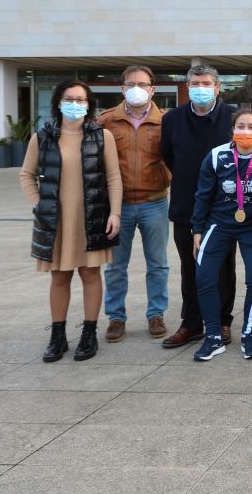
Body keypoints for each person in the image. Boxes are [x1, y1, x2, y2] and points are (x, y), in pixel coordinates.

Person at [22, 81, 122, 363]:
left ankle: (89, 333)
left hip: (92, 216)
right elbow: (26, 175)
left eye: (81, 99)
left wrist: (114, 213)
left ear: (89, 104)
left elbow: (113, 177)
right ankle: (58, 335)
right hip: (57, 219)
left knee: (91, 274)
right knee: (59, 276)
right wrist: (37, 203)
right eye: (70, 98)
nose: (75, 104)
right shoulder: (41, 137)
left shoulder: (102, 136)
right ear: (58, 102)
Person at [190, 108, 252, 361]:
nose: (245, 132)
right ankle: (213, 337)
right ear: (232, 130)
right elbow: (203, 194)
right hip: (219, 224)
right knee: (204, 277)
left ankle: (249, 335)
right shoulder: (217, 155)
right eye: (240, 126)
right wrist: (197, 228)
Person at [160, 66, 238, 349]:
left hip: (225, 206)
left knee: (222, 267)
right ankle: (191, 324)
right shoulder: (172, 119)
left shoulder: (232, 117)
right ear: (187, 86)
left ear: (217, 88)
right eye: (195, 83)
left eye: (206, 83)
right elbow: (168, 156)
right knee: (189, 265)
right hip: (186, 204)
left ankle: (222, 321)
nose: (200, 87)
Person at [96, 65, 170, 344]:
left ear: (152, 89)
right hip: (118, 206)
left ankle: (156, 314)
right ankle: (116, 317)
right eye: (130, 83)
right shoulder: (106, 121)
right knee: (115, 266)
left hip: (155, 202)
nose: (136, 88)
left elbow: (174, 155)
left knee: (158, 264)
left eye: (142, 83)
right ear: (122, 88)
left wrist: (168, 176)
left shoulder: (165, 121)